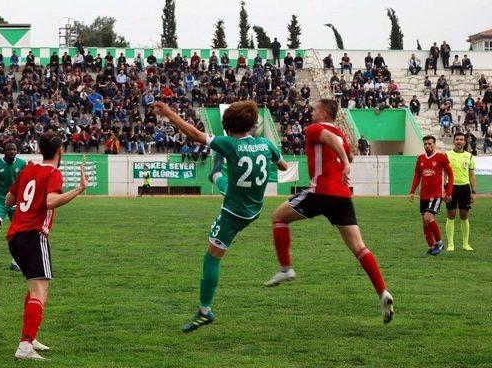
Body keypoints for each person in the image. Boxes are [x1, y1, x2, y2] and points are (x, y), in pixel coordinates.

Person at [153, 100, 288, 332]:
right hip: (255, 208)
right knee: (224, 180)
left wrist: (169, 113)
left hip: (234, 212)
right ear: (253, 124)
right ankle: (217, 174)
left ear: (227, 126)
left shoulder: (229, 144)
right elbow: (283, 166)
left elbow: (195, 135)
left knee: (211, 258)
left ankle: (204, 312)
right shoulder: (266, 144)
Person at [264, 99, 394, 324]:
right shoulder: (343, 136)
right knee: (359, 247)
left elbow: (329, 140)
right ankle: (382, 291)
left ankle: (286, 268)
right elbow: (348, 152)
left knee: (278, 217)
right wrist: (346, 159)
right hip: (342, 196)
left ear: (324, 112)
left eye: (315, 109)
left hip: (320, 192)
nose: (311, 113)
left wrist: (344, 161)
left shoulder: (316, 129)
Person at [6, 132, 88, 360]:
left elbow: (8, 201)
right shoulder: (53, 172)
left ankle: (29, 338)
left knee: (37, 287)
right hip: (34, 236)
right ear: (59, 151)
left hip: (15, 237)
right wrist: (79, 189)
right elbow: (51, 201)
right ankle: (24, 346)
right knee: (39, 291)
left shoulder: (27, 170)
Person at [408, 136, 454, 256]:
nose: (427, 146)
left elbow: (450, 174)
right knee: (424, 221)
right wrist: (412, 191)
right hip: (424, 194)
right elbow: (417, 175)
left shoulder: (441, 157)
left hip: (436, 193)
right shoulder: (421, 158)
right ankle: (432, 246)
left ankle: (439, 242)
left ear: (434, 144)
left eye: (430, 144)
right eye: (425, 144)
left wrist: (448, 192)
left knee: (429, 218)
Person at [0, 143, 27, 271]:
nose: (11, 151)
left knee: (18, 231)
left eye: (14, 149)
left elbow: (25, 181)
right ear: (4, 151)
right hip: (0, 200)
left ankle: (16, 261)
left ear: (16, 151)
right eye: (9, 149)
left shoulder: (22, 163)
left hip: (16, 201)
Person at [445, 133, 476, 252]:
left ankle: (465, 244)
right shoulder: (447, 155)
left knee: (464, 215)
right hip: (451, 187)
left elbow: (472, 175)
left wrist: (473, 192)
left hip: (464, 188)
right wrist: (444, 189)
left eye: (461, 139)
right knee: (451, 214)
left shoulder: (469, 156)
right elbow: (443, 173)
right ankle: (451, 244)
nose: (459, 141)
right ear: (453, 141)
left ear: (465, 142)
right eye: (457, 139)